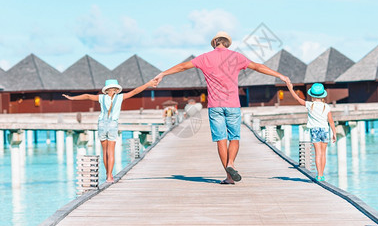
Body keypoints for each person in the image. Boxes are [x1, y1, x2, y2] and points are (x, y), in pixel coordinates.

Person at [152, 31, 291, 184]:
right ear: (227, 43)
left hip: (215, 106)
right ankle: (231, 164)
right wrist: (280, 76)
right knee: (235, 138)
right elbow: (258, 67)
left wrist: (163, 74)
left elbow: (183, 66)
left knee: (221, 140)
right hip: (233, 105)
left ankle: (229, 177)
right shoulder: (236, 57)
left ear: (215, 42)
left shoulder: (205, 57)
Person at [63, 79, 156, 182]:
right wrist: (148, 84)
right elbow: (135, 91)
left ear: (106, 90)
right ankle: (109, 176)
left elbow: (87, 96)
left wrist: (72, 98)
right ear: (116, 89)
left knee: (105, 152)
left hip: (102, 124)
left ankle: (107, 174)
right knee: (111, 152)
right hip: (112, 124)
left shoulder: (101, 98)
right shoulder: (120, 97)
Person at [286, 82, 337, 181]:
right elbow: (331, 121)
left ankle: (318, 175)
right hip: (325, 131)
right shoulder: (326, 106)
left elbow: (297, 99)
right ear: (323, 95)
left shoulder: (310, 105)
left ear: (312, 95)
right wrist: (334, 133)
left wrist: (291, 89)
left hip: (314, 131)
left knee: (317, 153)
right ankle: (322, 175)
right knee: (323, 153)